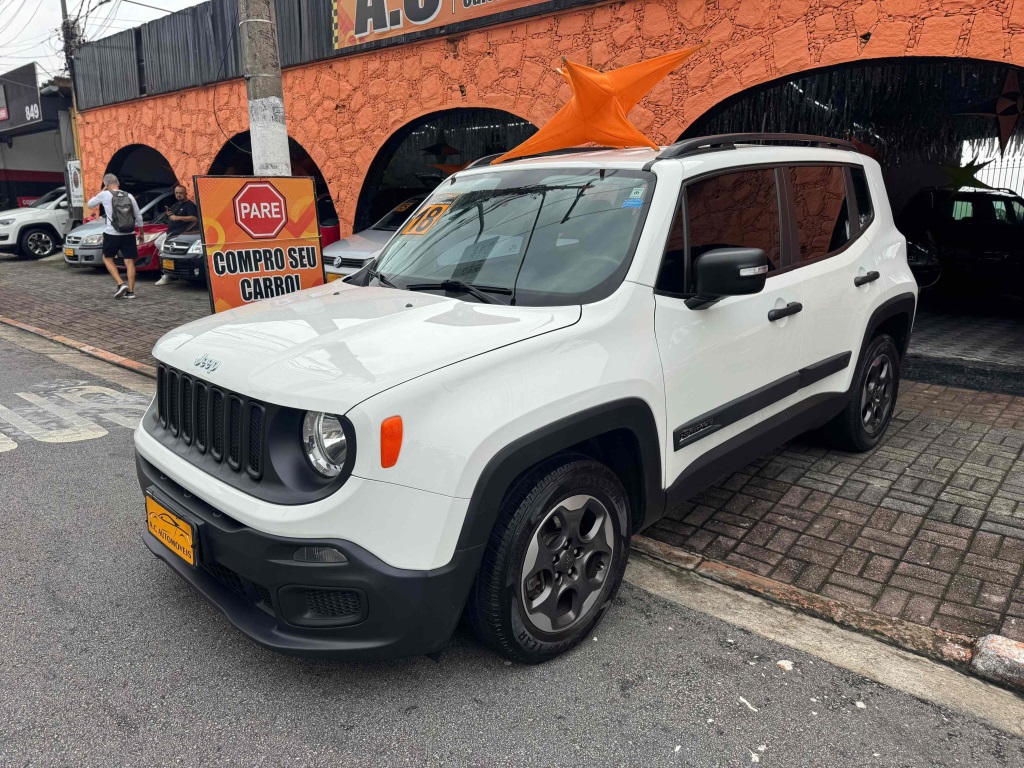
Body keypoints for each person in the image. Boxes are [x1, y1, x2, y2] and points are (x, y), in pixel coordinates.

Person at [87, 173, 143, 299]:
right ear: (118, 183)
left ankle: (120, 283)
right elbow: (138, 215)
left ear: (106, 184)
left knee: (107, 258)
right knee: (129, 262)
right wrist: (141, 233)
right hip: (129, 233)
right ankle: (131, 292)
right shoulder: (129, 195)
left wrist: (102, 191)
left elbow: (90, 204)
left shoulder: (104, 194)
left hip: (112, 233)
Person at [155, 184, 199, 286]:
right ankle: (170, 269)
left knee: (164, 249)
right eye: (177, 193)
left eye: (181, 193)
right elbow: (172, 216)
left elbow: (194, 218)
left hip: (179, 235)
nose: (178, 195)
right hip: (169, 233)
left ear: (186, 193)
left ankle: (168, 274)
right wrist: (169, 214)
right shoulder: (176, 204)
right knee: (158, 242)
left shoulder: (190, 205)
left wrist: (177, 217)